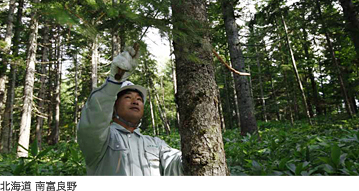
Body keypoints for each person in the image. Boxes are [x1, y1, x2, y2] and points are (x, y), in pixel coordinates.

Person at [77, 44, 183, 176]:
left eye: (139, 99)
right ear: (114, 106)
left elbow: (177, 166)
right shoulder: (102, 139)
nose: (135, 101)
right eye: (128, 97)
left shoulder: (155, 144)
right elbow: (95, 118)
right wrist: (114, 82)